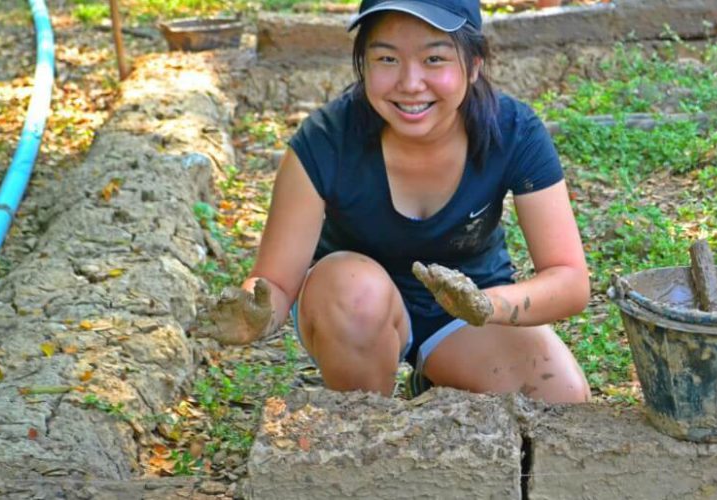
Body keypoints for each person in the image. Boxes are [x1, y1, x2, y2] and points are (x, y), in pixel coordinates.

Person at [196, 0, 591, 404]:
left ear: (474, 65)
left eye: (434, 58)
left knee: (561, 397)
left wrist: (486, 304)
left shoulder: (513, 132)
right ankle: (368, 425)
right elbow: (275, 283)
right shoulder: (324, 142)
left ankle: (437, 380)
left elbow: (570, 279)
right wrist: (255, 315)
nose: (410, 82)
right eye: (387, 58)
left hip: (467, 311)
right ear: (363, 64)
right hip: (352, 311)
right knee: (357, 293)